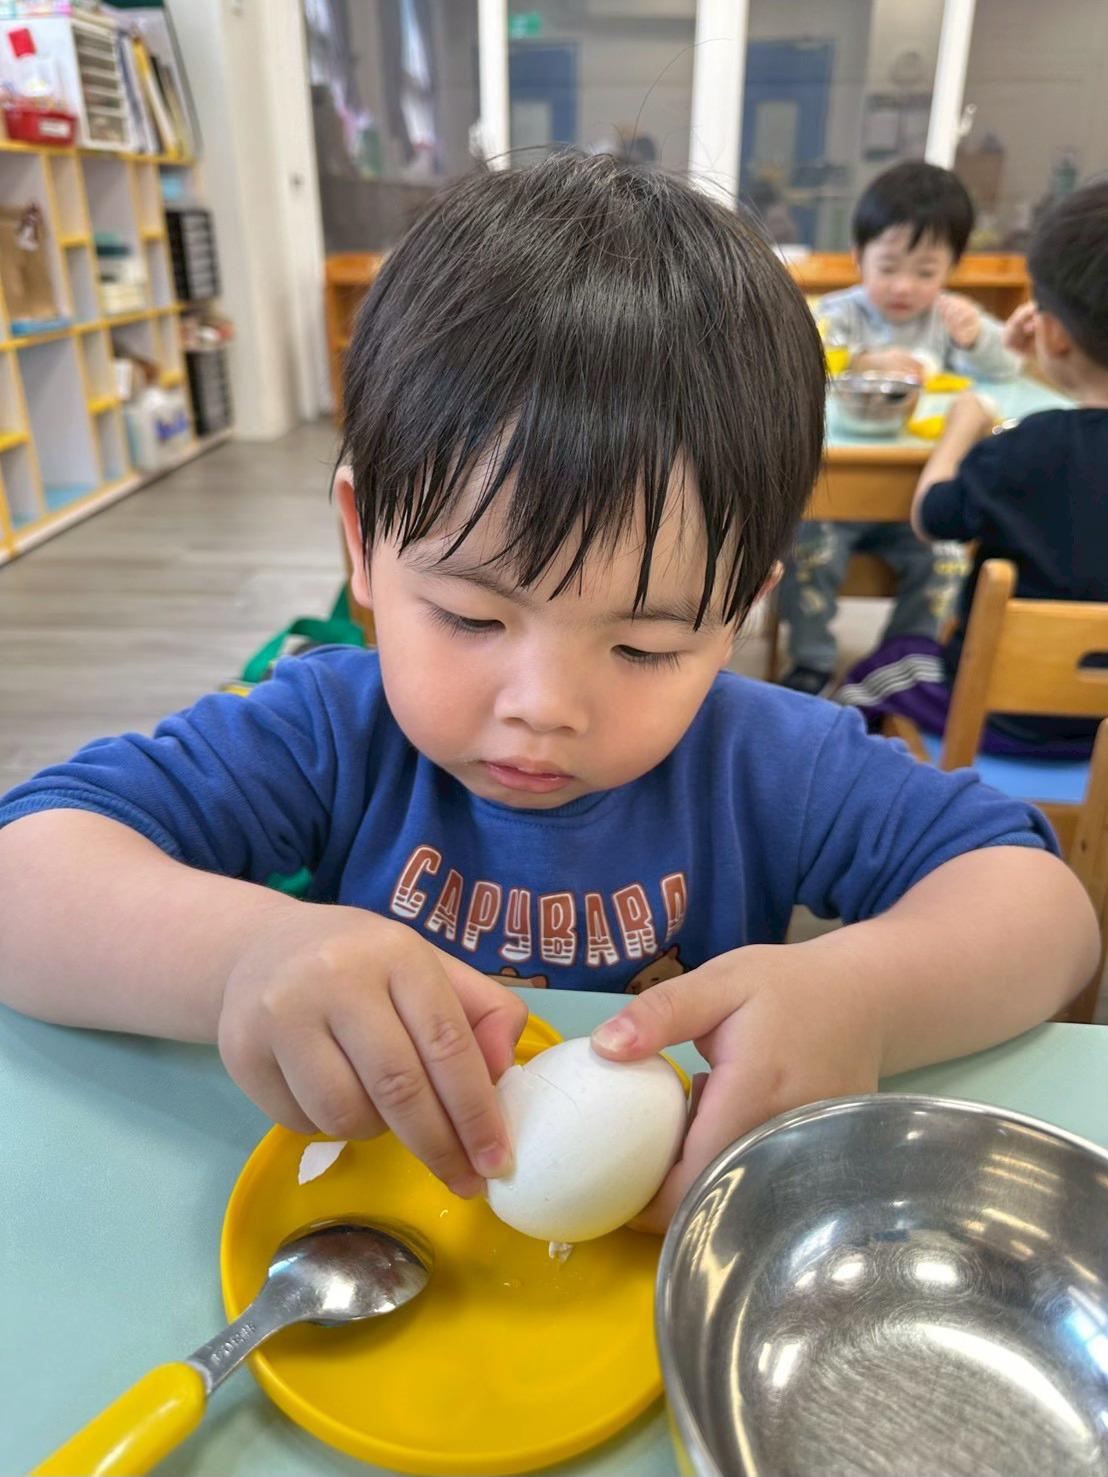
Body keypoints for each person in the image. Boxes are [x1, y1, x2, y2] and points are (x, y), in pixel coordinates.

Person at [0, 156, 1096, 1231]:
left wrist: (863, 996)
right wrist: (243, 955)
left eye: (646, 646)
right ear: (363, 545)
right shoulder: (331, 731)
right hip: (384, 1223)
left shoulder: (770, 762)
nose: (544, 705)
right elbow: (27, 869)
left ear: (736, 614)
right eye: (472, 618)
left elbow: (1043, 911)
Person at [836, 179, 1108, 752]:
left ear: (1053, 333)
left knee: (866, 681)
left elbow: (932, 517)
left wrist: (963, 426)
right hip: (1100, 733)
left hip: (997, 718)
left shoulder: (1024, 449)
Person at [778, 161, 1021, 698]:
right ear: (858, 255)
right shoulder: (840, 313)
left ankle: (904, 660)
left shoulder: (953, 318)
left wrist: (978, 339)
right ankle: (812, 659)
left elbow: (1009, 368)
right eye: (888, 267)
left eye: (926, 271)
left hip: (919, 496)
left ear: (953, 267)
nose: (904, 286)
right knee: (806, 545)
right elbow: (801, 356)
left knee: (949, 556)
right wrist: (862, 358)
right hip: (840, 491)